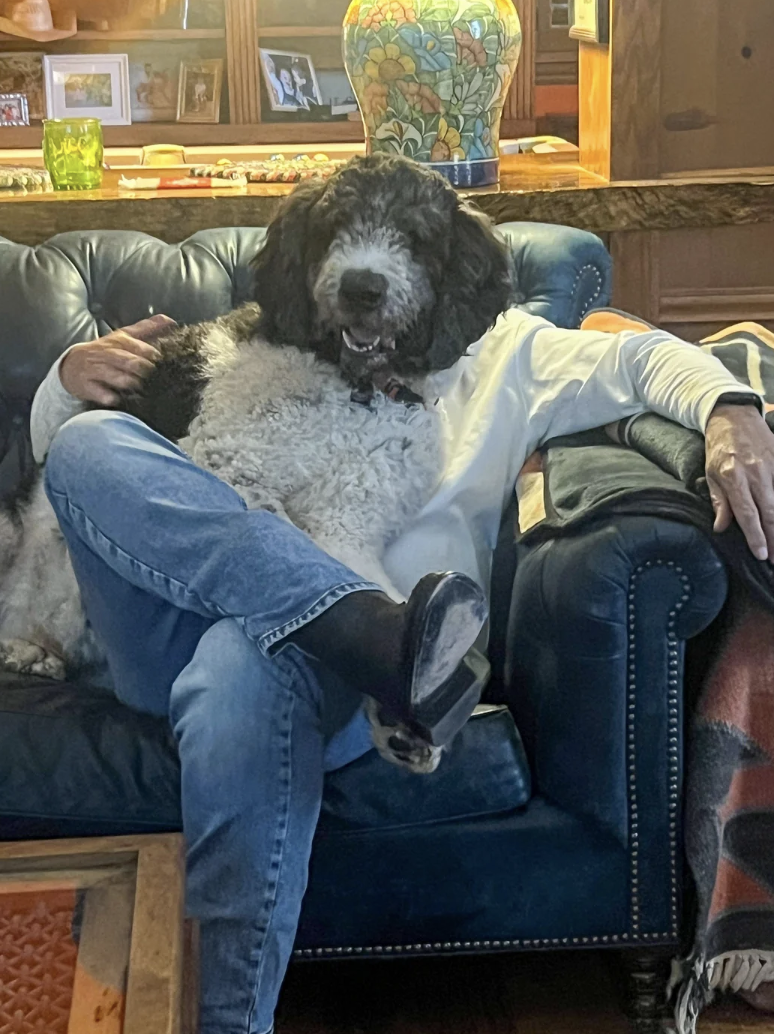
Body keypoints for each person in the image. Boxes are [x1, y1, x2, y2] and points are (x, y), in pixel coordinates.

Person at [30, 308, 774, 1034]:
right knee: (86, 445)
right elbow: (63, 447)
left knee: (244, 666)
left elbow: (639, 359)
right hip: (178, 627)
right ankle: (364, 629)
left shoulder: (505, 355)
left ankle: (227, 1021)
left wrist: (731, 412)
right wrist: (62, 385)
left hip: (309, 676)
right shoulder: (277, 346)